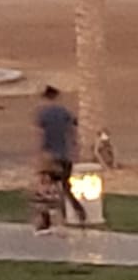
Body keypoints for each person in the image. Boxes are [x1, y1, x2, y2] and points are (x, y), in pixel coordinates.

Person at [35, 84, 86, 225]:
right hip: (65, 156)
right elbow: (74, 127)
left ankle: (46, 218)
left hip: (50, 156)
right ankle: (78, 211)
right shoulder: (64, 112)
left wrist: (40, 156)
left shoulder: (44, 114)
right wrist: (75, 146)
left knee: (44, 187)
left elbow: (40, 135)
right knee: (65, 186)